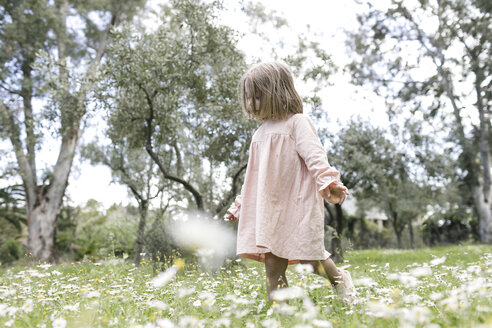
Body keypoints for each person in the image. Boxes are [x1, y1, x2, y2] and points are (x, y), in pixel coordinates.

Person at [225, 61, 356, 304]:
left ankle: (340, 280)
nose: (252, 103)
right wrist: (241, 204)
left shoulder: (297, 123)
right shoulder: (259, 135)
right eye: (249, 98)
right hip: (269, 208)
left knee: (311, 258)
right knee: (272, 262)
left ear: (276, 93)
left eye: (257, 97)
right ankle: (280, 309)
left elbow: (316, 157)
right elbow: (252, 177)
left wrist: (329, 182)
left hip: (297, 204)